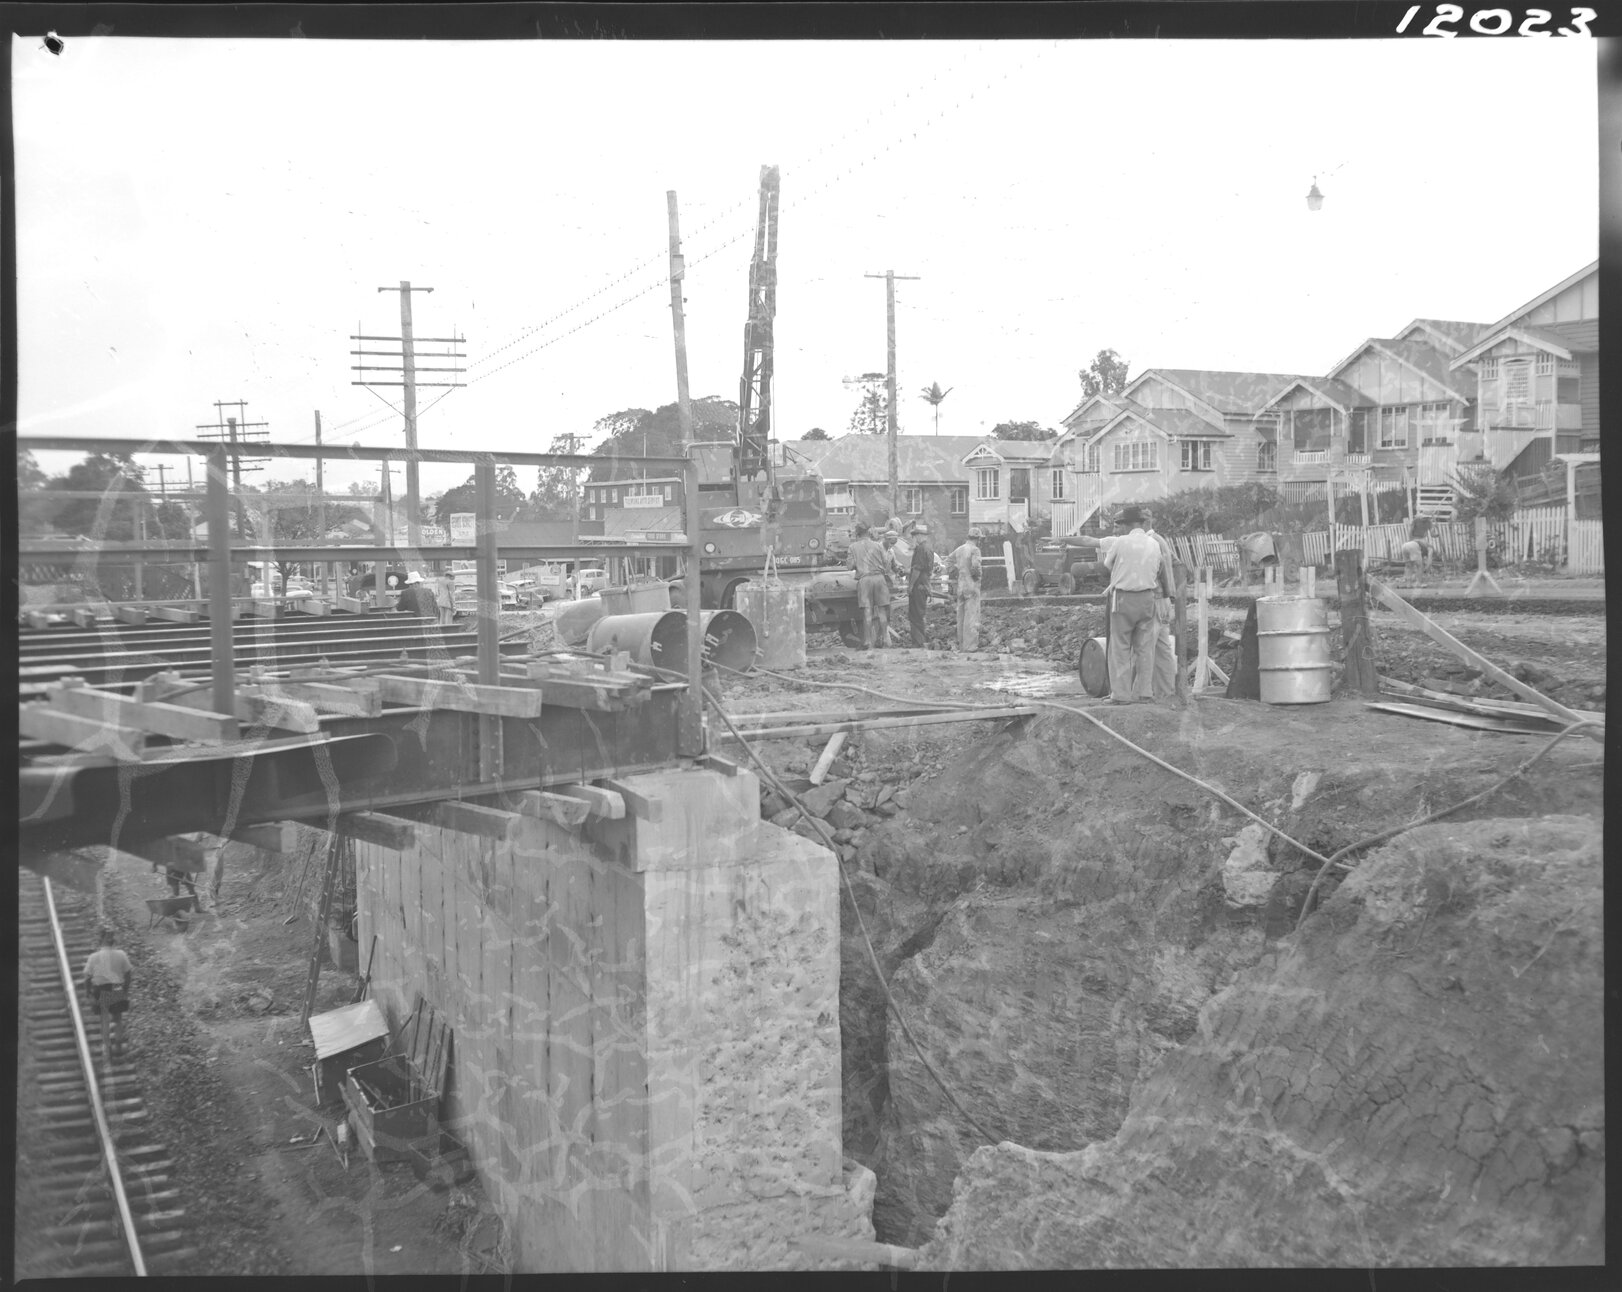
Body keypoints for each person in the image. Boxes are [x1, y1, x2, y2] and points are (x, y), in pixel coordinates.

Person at [1101, 505, 1164, 704]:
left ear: (1126, 524)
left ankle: (1121, 695)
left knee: (1120, 647)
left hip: (1123, 598)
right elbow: (1159, 568)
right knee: (1145, 648)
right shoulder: (1153, 543)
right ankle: (1145, 692)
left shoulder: (1121, 542)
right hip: (1147, 598)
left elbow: (1107, 565)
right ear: (1141, 523)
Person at [1140, 506, 1187, 700]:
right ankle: (1166, 691)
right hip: (1164, 599)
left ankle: (1148, 692)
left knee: (1148, 646)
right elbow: (1177, 564)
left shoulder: (1151, 542)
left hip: (1157, 597)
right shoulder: (1160, 540)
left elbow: (1170, 567)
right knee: (1162, 648)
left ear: (1143, 523)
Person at [82, 928, 133, 1054]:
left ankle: (107, 1046)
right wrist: (125, 989)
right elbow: (128, 973)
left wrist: (88, 992)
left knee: (104, 1020)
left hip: (101, 990)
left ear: (100, 941)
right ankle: (119, 1045)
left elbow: (87, 978)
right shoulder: (121, 954)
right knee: (118, 1019)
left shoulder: (93, 957)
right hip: (117, 988)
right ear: (113, 941)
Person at [849, 522, 891, 649]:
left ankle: (867, 641)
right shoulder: (878, 546)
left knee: (868, 611)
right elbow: (886, 562)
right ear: (868, 532)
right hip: (879, 579)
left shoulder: (853, 547)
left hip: (865, 580)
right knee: (882, 610)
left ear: (857, 533)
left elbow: (849, 566)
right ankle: (885, 640)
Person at [946, 530, 984, 652]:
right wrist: (977, 578)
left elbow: (948, 562)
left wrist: (956, 572)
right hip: (971, 587)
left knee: (961, 615)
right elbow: (975, 567)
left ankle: (962, 644)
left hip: (961, 586)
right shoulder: (975, 550)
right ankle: (970, 646)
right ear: (978, 539)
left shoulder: (959, 549)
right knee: (972, 616)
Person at [907, 522, 935, 648]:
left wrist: (910, 585)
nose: (914, 538)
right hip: (925, 583)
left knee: (915, 614)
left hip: (918, 584)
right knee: (920, 612)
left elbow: (917, 569)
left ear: (920, 535)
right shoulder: (929, 548)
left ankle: (918, 642)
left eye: (915, 535)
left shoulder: (920, 549)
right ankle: (921, 639)